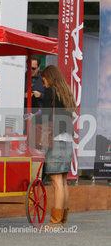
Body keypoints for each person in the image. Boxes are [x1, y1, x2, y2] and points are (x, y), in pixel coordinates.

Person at [32, 65, 76, 228]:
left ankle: (55, 222)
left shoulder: (51, 92)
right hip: (67, 139)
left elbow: (47, 116)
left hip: (55, 139)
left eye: (43, 80)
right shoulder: (66, 93)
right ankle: (62, 219)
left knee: (56, 182)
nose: (43, 85)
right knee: (63, 181)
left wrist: (33, 118)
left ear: (49, 78)